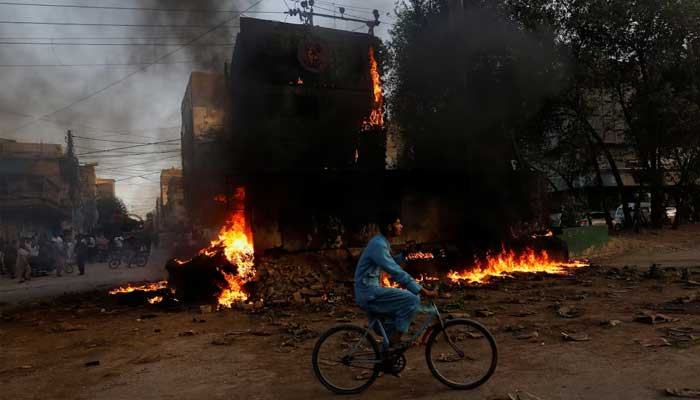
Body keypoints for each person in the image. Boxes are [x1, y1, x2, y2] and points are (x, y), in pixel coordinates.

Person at [354, 213, 438, 352]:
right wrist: (423, 291)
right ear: (389, 227)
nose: (401, 226)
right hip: (369, 293)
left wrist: (405, 254)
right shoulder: (379, 245)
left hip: (370, 291)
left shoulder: (381, 242)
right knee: (412, 299)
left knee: (393, 321)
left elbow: (389, 263)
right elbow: (395, 271)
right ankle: (392, 346)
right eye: (398, 223)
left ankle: (387, 349)